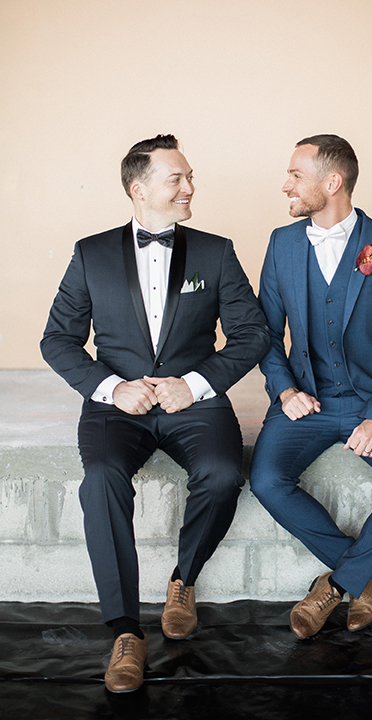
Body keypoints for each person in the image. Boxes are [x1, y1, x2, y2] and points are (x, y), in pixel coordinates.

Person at [41, 134, 269, 692]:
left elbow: (252, 333)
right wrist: (111, 388)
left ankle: (183, 580)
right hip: (118, 407)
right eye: (178, 178)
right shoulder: (90, 253)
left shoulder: (215, 252)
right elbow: (58, 340)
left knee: (221, 474)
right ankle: (125, 632)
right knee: (101, 481)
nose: (190, 187)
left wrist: (194, 384)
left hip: (194, 401)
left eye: (190, 177)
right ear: (138, 189)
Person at [250, 134, 372, 640]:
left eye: (295, 174)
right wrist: (285, 391)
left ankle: (333, 585)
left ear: (331, 182)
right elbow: (264, 333)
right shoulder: (281, 243)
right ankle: (362, 573)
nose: (285, 184)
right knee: (267, 480)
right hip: (304, 400)